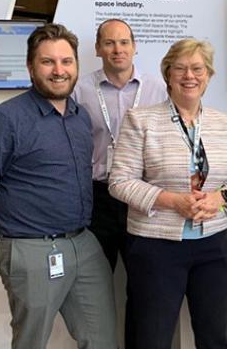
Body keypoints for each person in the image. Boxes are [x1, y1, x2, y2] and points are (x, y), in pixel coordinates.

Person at [0, 23, 116, 349]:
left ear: (76, 65)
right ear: (31, 67)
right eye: (48, 62)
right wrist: (9, 229)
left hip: (83, 244)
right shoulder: (6, 119)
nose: (59, 70)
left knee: (102, 339)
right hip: (30, 248)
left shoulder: (79, 116)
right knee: (32, 341)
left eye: (66, 61)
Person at [108, 38, 227, 349]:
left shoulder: (223, 122)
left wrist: (220, 198)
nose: (190, 76)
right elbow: (119, 181)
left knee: (215, 339)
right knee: (151, 339)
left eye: (198, 68)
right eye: (181, 69)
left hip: (214, 246)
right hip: (156, 248)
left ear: (209, 75)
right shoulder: (141, 120)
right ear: (168, 75)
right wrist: (173, 201)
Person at [72, 18, 167, 271]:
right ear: (97, 48)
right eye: (109, 43)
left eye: (124, 42)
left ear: (134, 46)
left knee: (144, 279)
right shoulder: (80, 90)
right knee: (96, 277)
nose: (118, 50)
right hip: (98, 197)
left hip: (143, 196)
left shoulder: (158, 90)